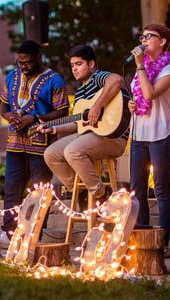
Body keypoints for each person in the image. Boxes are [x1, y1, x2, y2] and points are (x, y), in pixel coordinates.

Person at [41, 45, 131, 208]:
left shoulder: (98, 77)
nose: (75, 69)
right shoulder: (80, 93)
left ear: (91, 64)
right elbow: (78, 125)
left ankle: (102, 196)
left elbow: (116, 80)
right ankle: (82, 192)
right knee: (50, 154)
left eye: (79, 64)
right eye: (72, 65)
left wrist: (97, 106)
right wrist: (53, 128)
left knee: (72, 151)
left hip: (114, 137)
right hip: (92, 135)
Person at [0, 40, 69, 247]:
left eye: (27, 62)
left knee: (38, 191)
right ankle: (8, 233)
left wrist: (36, 118)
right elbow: (3, 110)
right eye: (20, 62)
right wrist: (11, 117)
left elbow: (63, 111)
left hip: (41, 144)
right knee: (12, 188)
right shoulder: (12, 77)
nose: (23, 66)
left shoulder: (54, 80)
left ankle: (33, 234)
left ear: (39, 57)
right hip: (15, 143)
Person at [128, 24, 170, 247]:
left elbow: (149, 93)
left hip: (161, 134)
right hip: (139, 134)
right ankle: (143, 240)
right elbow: (139, 95)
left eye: (150, 36)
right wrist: (132, 104)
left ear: (163, 41)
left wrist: (139, 66)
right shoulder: (143, 68)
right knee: (137, 189)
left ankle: (162, 243)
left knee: (160, 189)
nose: (144, 39)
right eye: (143, 36)